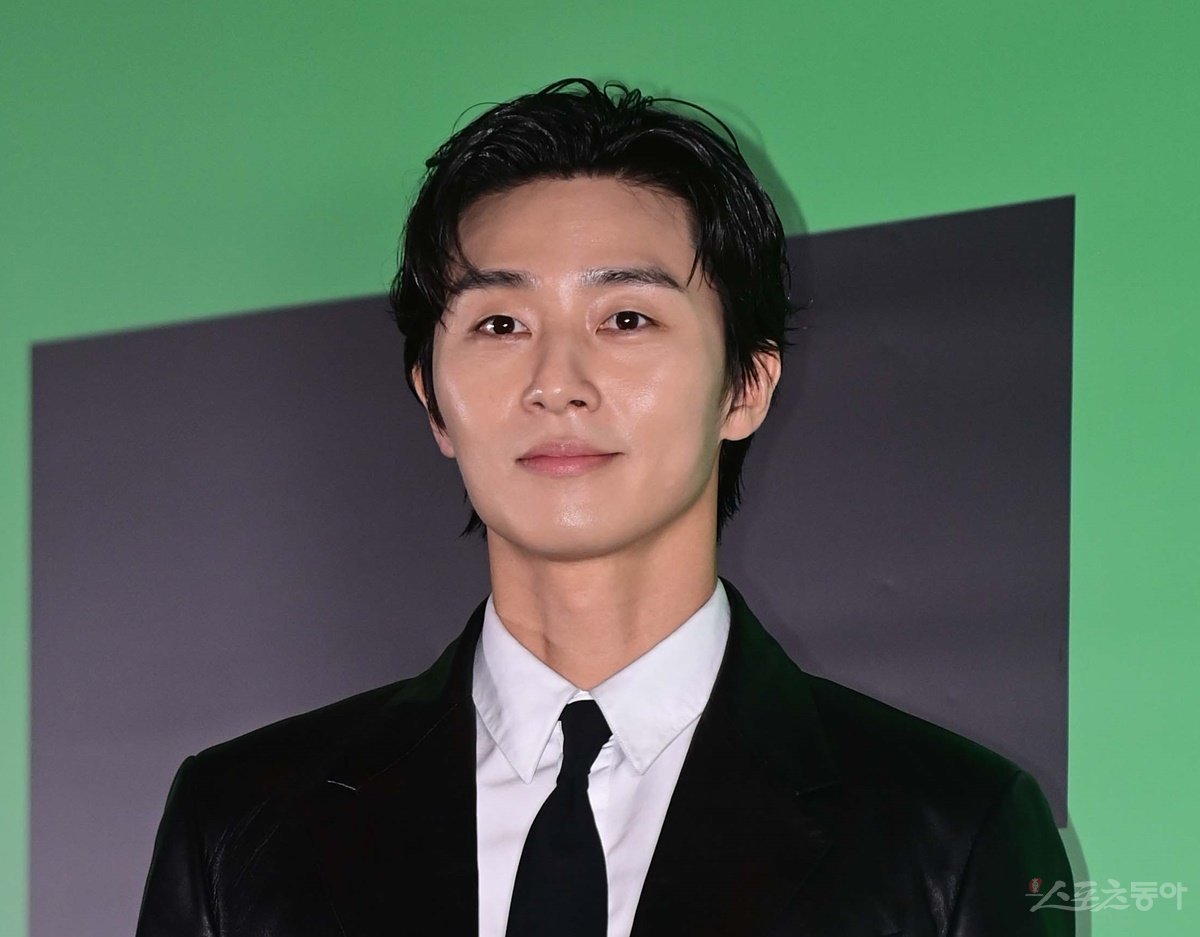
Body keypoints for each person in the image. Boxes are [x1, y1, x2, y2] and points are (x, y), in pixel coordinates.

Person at [135, 78, 1075, 936]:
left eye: (627, 318)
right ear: (432, 400)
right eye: (501, 323)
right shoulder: (240, 824)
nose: (557, 382)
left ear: (746, 386)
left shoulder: (950, 831)